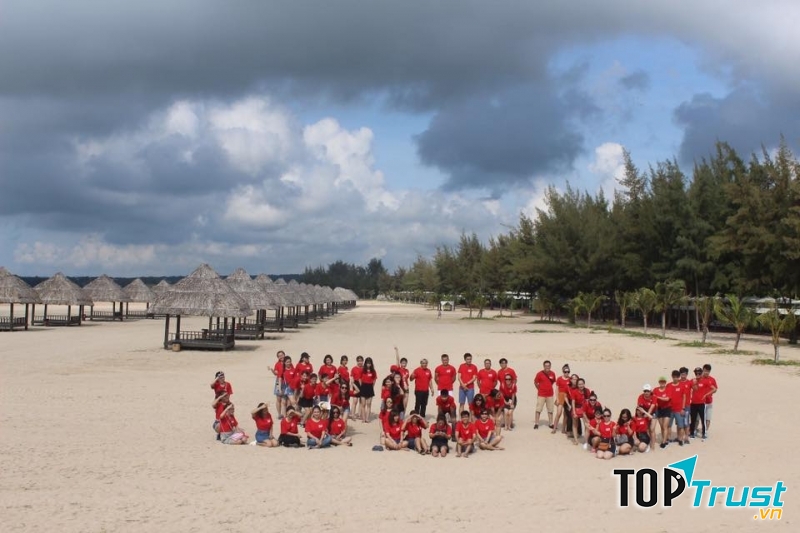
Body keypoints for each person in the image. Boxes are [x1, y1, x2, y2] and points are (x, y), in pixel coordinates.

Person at [665, 370, 687, 447]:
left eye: (677, 377)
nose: (675, 378)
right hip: (670, 409)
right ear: (672, 377)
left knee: (681, 426)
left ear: (679, 377)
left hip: (679, 409)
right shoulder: (668, 385)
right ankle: (668, 438)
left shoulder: (682, 385)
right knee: (668, 425)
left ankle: (680, 439)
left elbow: (684, 397)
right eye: (674, 377)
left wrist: (683, 408)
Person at [533, 360, 556, 429]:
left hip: (550, 394)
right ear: (543, 366)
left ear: (550, 366)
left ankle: (551, 423)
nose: (547, 367)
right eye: (546, 366)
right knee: (538, 409)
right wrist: (539, 389)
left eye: (548, 365)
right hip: (541, 394)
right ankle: (536, 423)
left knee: (550, 410)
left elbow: (552, 382)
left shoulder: (553, 373)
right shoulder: (539, 374)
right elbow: (535, 382)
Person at [689, 367, 709, 440]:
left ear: (701, 373)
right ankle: (692, 433)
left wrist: (706, 395)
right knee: (693, 419)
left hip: (701, 403)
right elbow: (695, 389)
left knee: (703, 419)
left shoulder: (705, 381)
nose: (697, 374)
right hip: (693, 403)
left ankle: (704, 433)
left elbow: (714, 388)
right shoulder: (692, 381)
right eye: (696, 373)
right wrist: (694, 383)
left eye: (699, 373)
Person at [552, 364, 571, 434]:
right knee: (559, 413)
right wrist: (557, 398)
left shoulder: (570, 379)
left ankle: (563, 429)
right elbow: (556, 389)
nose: (567, 373)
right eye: (565, 372)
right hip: (560, 396)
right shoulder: (559, 379)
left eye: (568, 371)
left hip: (567, 397)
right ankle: (554, 428)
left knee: (565, 414)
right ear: (563, 371)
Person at [653, 376, 671, 448]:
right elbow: (653, 398)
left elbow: (667, 399)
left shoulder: (668, 389)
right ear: (659, 382)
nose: (662, 383)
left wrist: (658, 397)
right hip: (659, 409)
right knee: (661, 426)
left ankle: (664, 442)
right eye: (661, 381)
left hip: (667, 409)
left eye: (663, 382)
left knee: (665, 426)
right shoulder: (655, 390)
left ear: (665, 382)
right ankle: (664, 439)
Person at [359, 357, 378, 423]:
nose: (368, 364)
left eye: (369, 363)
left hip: (370, 387)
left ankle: (367, 418)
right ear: (365, 363)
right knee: (363, 404)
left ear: (371, 364)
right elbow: (359, 378)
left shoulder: (373, 371)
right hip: (363, 386)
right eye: (367, 363)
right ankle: (363, 418)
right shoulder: (363, 370)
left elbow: (375, 378)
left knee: (369, 404)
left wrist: (372, 386)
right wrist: (361, 386)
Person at [702, 363, 718, 436]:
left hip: (709, 402)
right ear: (703, 370)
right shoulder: (699, 378)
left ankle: (705, 431)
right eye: (705, 370)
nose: (706, 372)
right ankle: (694, 430)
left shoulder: (712, 379)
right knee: (697, 418)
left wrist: (708, 394)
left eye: (708, 371)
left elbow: (715, 389)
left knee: (708, 418)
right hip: (700, 402)